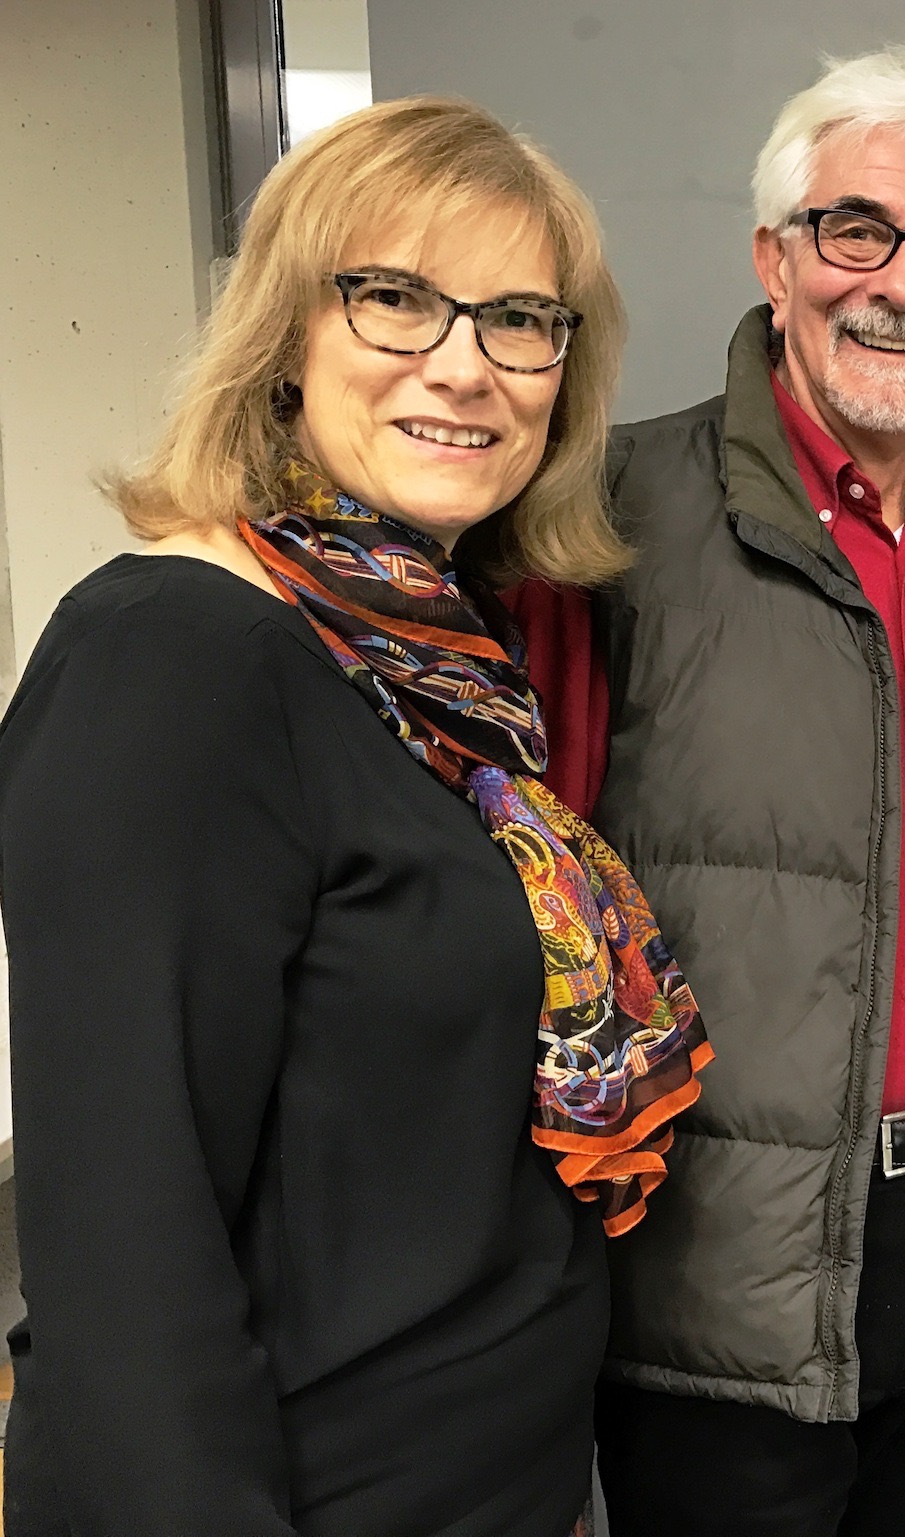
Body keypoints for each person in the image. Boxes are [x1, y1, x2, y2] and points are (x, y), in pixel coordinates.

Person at [0, 98, 710, 1537]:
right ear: (286, 337)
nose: (465, 364)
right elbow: (124, 1252)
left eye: (519, 319)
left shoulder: (435, 662)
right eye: (395, 298)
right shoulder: (173, 654)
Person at [582, 43, 905, 1537]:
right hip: (711, 1255)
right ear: (775, 260)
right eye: (857, 229)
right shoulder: (611, 516)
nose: (903, 283)